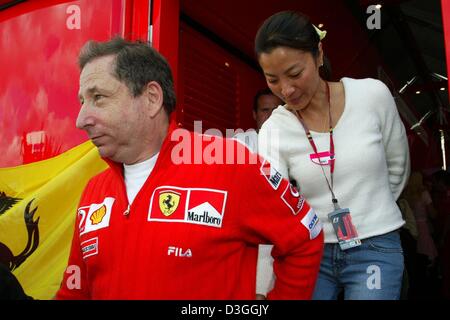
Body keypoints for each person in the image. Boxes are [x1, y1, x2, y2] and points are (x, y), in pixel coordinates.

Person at [55, 37, 323, 299]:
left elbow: (305, 238)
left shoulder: (229, 163)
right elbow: (75, 292)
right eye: (82, 101)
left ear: (151, 98)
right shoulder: (93, 191)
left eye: (98, 97)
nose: (81, 119)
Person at [255, 11, 410, 300]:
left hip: (375, 245)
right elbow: (271, 205)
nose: (286, 90)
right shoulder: (274, 129)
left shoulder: (372, 96)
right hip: (310, 252)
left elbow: (397, 166)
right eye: (272, 79)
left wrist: (369, 211)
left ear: (319, 55)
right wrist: (261, 286)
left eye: (295, 73)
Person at [233, 88, 283, 153]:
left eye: (276, 110)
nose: (271, 115)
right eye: (265, 110)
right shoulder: (241, 141)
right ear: (255, 114)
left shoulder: (293, 142)